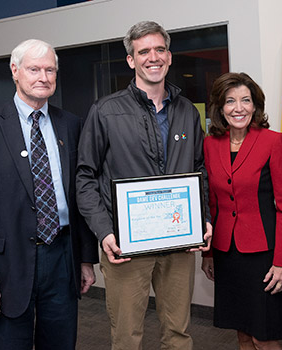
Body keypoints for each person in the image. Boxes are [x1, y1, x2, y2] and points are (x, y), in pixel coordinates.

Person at [76, 21, 212, 349]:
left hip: (179, 243)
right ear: (131, 60)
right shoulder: (105, 111)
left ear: (169, 56)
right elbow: (84, 177)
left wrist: (203, 219)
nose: (153, 57)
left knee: (178, 333)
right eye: (144, 51)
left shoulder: (186, 111)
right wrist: (106, 232)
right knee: (126, 336)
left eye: (160, 49)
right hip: (125, 246)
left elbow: (199, 170)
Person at [0, 39, 99, 350]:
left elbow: (79, 197)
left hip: (62, 259)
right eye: (34, 69)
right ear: (15, 71)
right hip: (7, 267)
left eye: (50, 70)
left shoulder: (71, 124)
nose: (43, 77)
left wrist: (86, 259)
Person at [201, 73, 282, 350]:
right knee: (242, 332)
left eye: (245, 100)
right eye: (230, 101)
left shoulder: (273, 141)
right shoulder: (210, 145)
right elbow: (212, 204)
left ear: (255, 106)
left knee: (263, 337)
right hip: (226, 254)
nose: (238, 108)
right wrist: (208, 253)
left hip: (264, 257)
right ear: (220, 108)